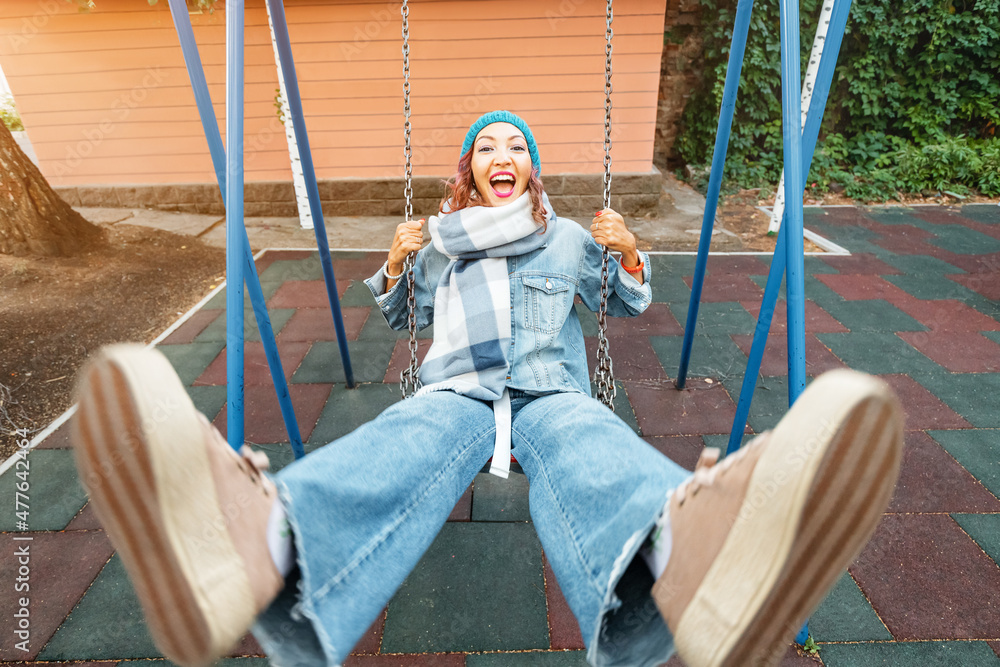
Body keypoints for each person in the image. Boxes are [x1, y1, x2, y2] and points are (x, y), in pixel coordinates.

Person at [70, 110, 904, 667]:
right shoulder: (438, 242)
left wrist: (631, 253)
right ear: (468, 168)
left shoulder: (569, 234)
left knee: (586, 441)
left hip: (549, 387)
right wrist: (397, 262)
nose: (503, 157)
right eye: (487, 147)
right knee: (408, 439)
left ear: (532, 169)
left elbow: (625, 304)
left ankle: (687, 557)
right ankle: (262, 545)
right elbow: (405, 318)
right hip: (459, 388)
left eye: (517, 147)